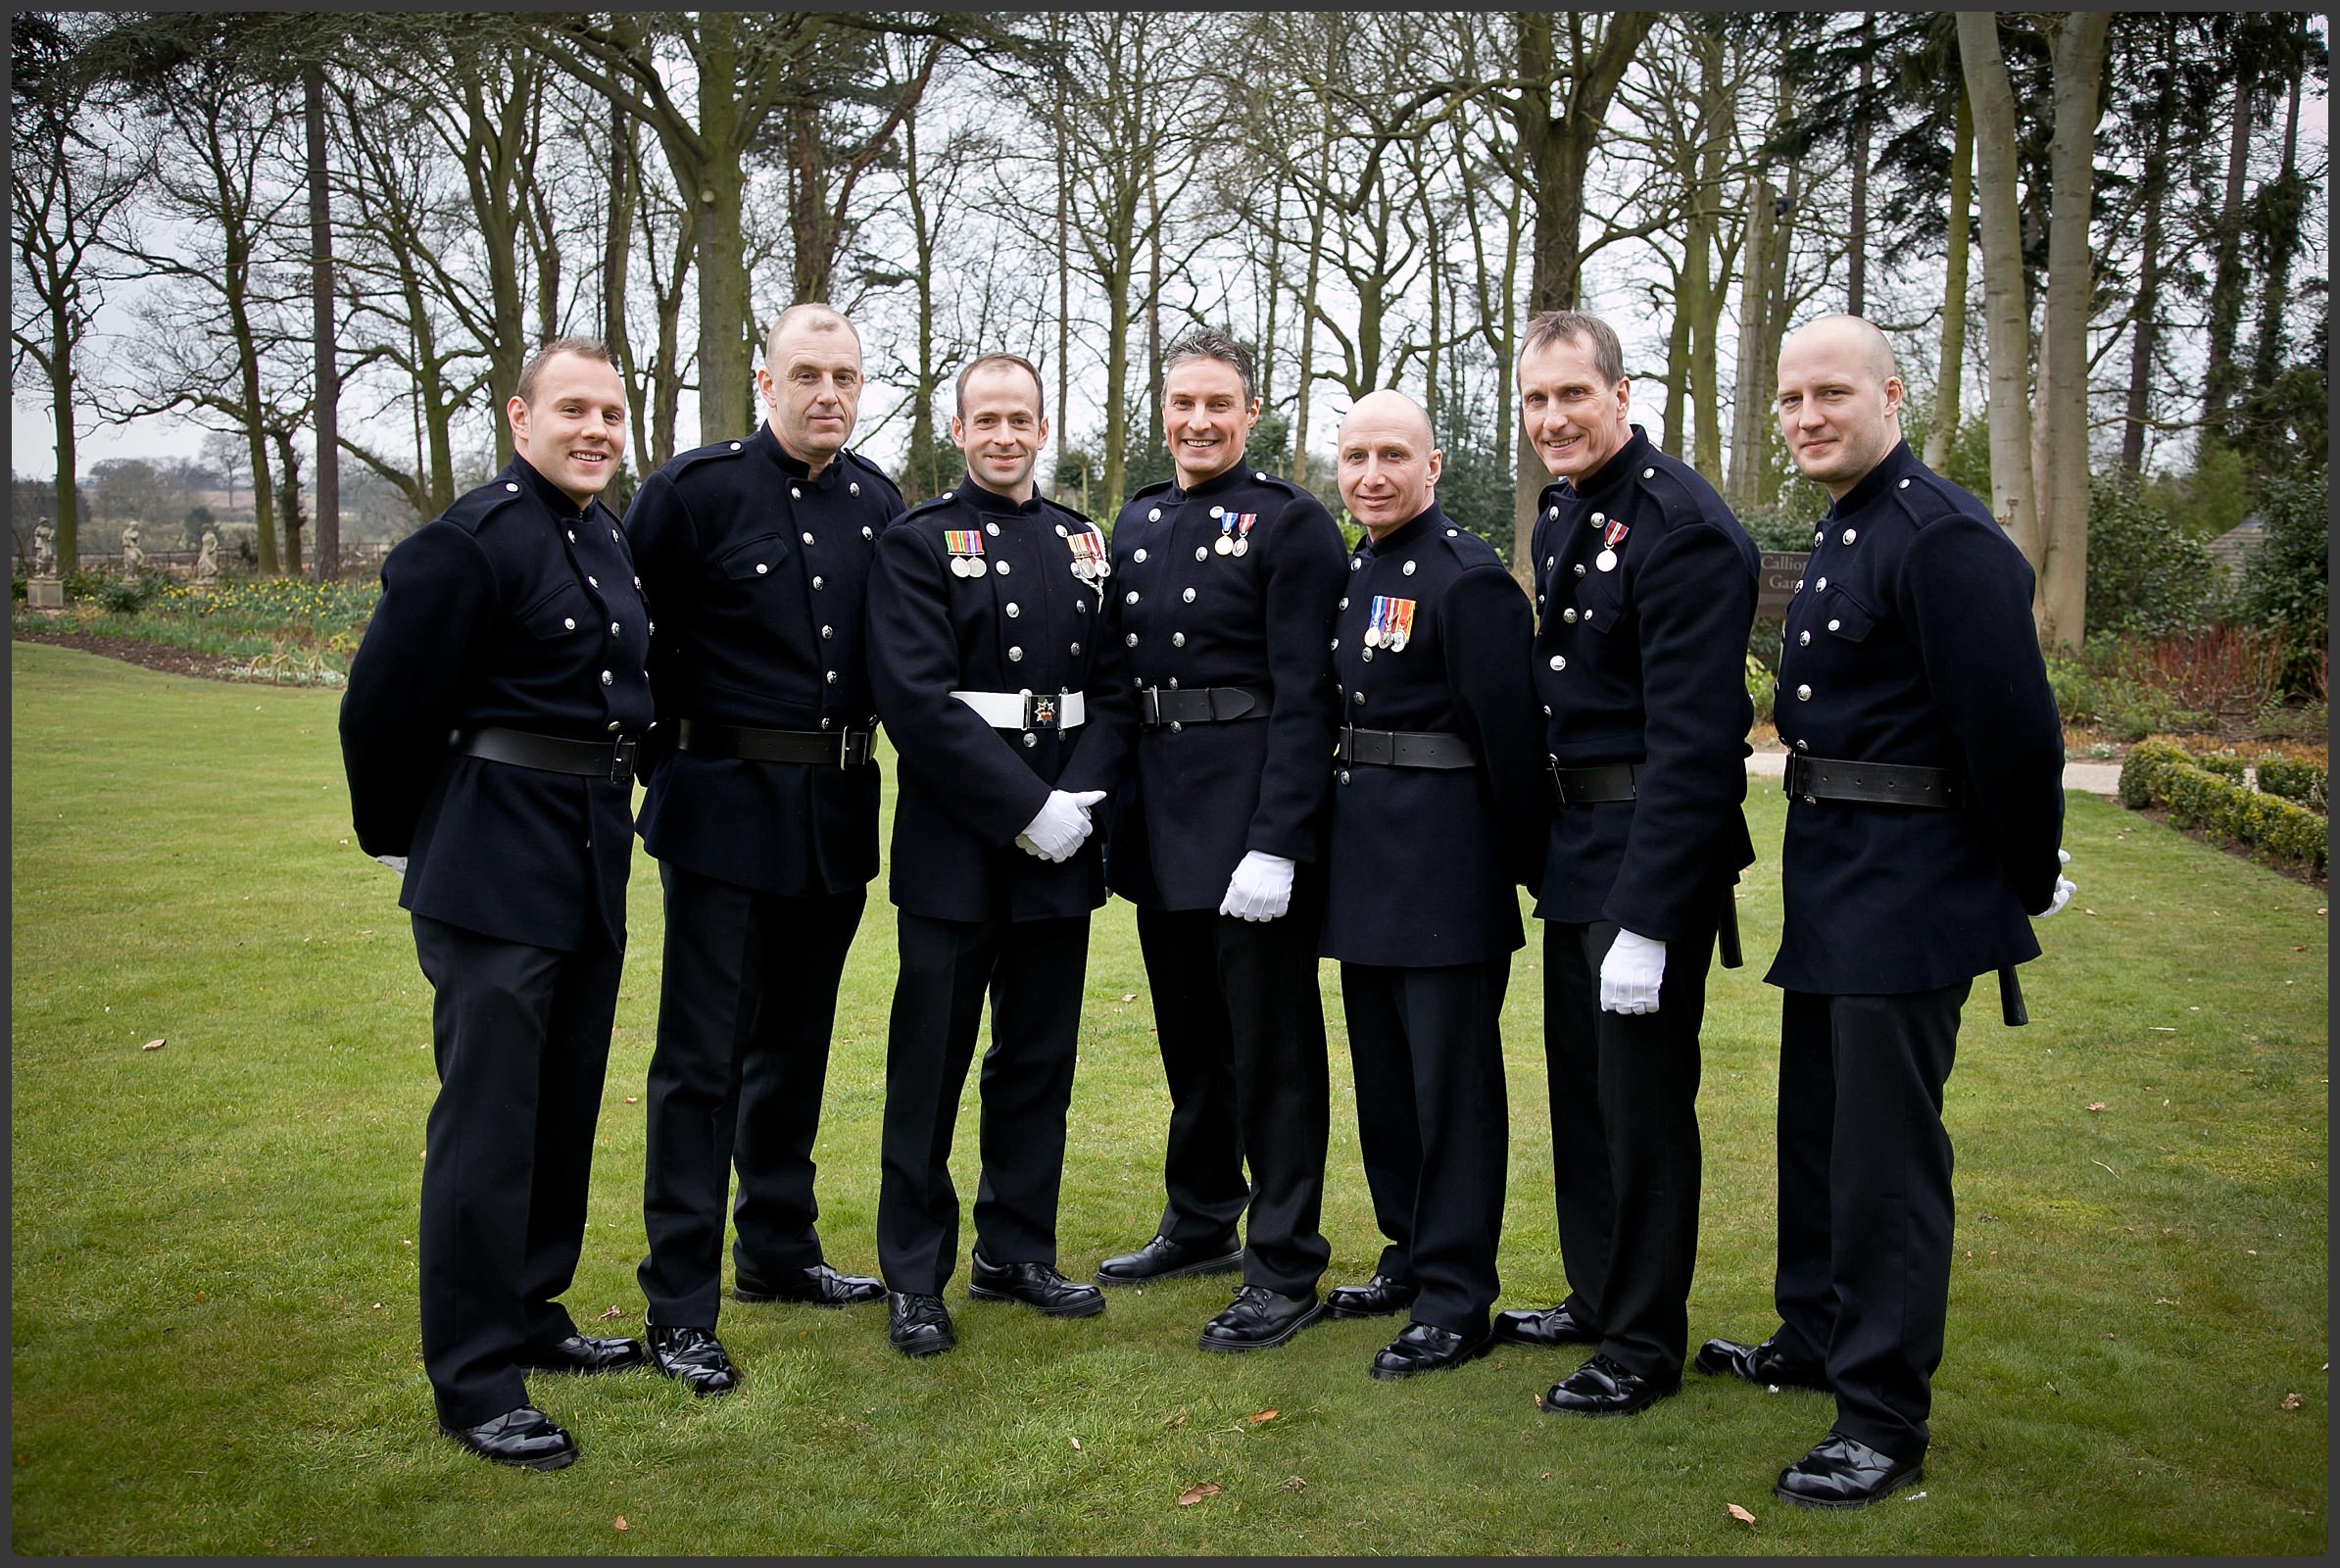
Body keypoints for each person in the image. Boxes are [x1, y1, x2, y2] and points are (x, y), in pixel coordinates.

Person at [1698, 314, 2072, 1507]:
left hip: (1911, 889)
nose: (1806, 416)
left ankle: (1883, 1416)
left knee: (1886, 1164)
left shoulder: (1942, 537)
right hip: (1838, 874)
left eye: (1831, 395)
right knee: (1818, 1133)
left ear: (1893, 395)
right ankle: (1814, 1338)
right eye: (1791, 398)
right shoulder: (1850, 525)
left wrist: (2025, 872)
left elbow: (2015, 734)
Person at [340, 337, 652, 1471]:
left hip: (585, 853)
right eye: (573, 409)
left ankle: (532, 1310)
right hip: (491, 859)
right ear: (520, 417)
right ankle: (475, 1377)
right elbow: (380, 709)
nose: (596, 431)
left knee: (560, 1104)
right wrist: (402, 839)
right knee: (486, 1123)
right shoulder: (469, 542)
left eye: (612, 414)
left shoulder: (605, 536)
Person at [620, 305, 902, 1396]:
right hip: (721, 807)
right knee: (699, 1063)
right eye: (807, 374)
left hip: (832, 811)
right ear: (764, 378)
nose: (827, 393)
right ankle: (679, 1304)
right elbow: (626, 644)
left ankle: (777, 1250)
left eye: (845, 376)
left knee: (795, 1045)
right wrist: (674, 771)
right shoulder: (693, 496)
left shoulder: (878, 502)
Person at [1494, 311, 1758, 1419]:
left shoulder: (1679, 524)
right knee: (1584, 1091)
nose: (1554, 418)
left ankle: (1644, 1342)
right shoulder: (1566, 511)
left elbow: (1698, 740)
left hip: (1651, 852)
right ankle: (1599, 1293)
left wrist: (1648, 917)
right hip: (1579, 850)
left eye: (1572, 395)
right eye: (1536, 400)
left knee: (1643, 1106)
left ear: (1622, 392)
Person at [865, 353, 1136, 1357]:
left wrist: (1076, 803)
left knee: (1037, 1062)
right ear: (960, 428)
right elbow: (919, 705)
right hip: (958, 843)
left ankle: (1015, 1250)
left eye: (1021, 417)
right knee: (928, 1063)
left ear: (1042, 424)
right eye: (987, 418)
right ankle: (913, 1274)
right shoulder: (917, 542)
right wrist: (1027, 807)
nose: (1005, 434)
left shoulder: (1079, 541)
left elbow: (1111, 687)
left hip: (1063, 838)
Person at [1094, 329, 1347, 1352]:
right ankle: (1200, 1219)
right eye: (1182, 402)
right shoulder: (1140, 519)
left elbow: (1307, 696)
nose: (1197, 421)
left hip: (1250, 822)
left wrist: (1278, 838)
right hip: (1164, 816)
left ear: (1251, 414)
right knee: (1191, 1039)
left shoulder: (1291, 525)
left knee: (1272, 1051)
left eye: (1218, 404)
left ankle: (1284, 1262)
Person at [1316, 389, 1544, 1380]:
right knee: (1388, 1086)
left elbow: (1512, 744)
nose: (1372, 474)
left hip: (1446, 871)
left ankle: (1457, 1295)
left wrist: (1523, 865)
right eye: (1357, 455)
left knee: (1452, 1092)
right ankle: (1409, 1253)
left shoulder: (1469, 580)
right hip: (1366, 864)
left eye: (1393, 456)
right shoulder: (1360, 567)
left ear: (1434, 463)